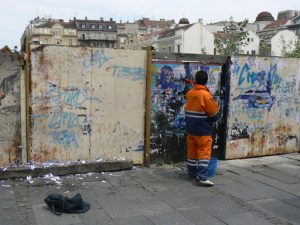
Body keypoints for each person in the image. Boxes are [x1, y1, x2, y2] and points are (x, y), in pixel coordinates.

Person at [185, 70, 220, 187]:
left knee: (192, 152)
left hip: (191, 128)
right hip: (203, 129)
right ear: (206, 81)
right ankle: (202, 177)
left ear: (196, 80)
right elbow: (214, 114)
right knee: (204, 153)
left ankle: (192, 173)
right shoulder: (205, 95)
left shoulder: (190, 93)